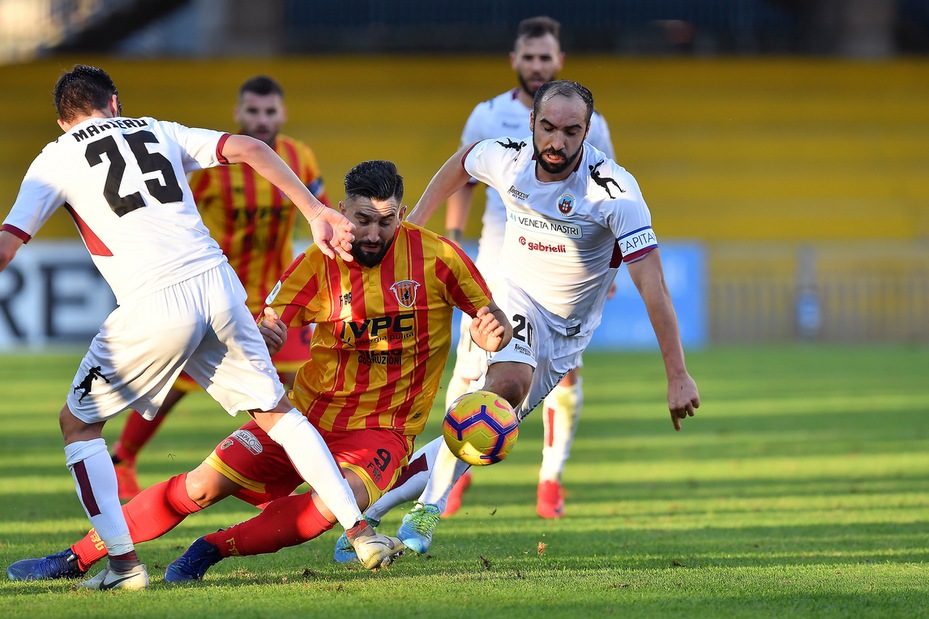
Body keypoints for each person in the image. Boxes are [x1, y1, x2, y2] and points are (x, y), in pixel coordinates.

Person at [6, 160, 511, 583]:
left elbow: (494, 319)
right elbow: (272, 320)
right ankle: (77, 557)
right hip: (307, 418)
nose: (374, 234)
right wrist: (268, 334)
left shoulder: (438, 258)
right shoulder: (319, 263)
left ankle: (210, 549)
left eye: (387, 221)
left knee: (334, 506)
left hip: (383, 429)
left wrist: (494, 334)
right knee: (201, 487)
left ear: (401, 213)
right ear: (342, 211)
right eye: (363, 220)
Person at [0, 65, 400, 590]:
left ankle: (123, 567)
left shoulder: (55, 158)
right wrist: (314, 209)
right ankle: (360, 532)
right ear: (114, 102)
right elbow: (251, 149)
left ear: (62, 121)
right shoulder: (157, 128)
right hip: (219, 285)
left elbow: (7, 246)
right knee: (277, 411)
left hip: (154, 300)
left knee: (78, 426)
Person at [353, 80, 700, 557]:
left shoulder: (614, 191)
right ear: (532, 123)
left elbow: (653, 284)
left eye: (571, 132)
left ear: (587, 132)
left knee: (489, 426)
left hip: (567, 333)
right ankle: (427, 511)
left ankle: (369, 515)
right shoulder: (509, 157)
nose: (557, 142)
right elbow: (463, 160)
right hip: (513, 297)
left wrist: (677, 374)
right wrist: (413, 229)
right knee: (505, 388)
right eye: (548, 128)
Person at [111, 75, 330, 501]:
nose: (262, 119)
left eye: (269, 111)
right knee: (176, 385)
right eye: (253, 111)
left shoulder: (300, 158)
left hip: (278, 299)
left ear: (282, 113)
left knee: (298, 383)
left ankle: (278, 474)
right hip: (220, 295)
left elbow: (316, 207)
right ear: (238, 113)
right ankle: (124, 457)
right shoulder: (213, 166)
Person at [441, 15, 617, 519]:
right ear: (514, 60)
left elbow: (607, 194)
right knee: (470, 369)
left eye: (546, 58)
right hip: (496, 262)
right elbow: (463, 178)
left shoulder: (591, 122)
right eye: (530, 57)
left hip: (562, 270)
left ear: (559, 61)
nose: (538, 66)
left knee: (565, 374)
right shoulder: (486, 115)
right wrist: (454, 241)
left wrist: (607, 273)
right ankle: (454, 471)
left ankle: (550, 479)